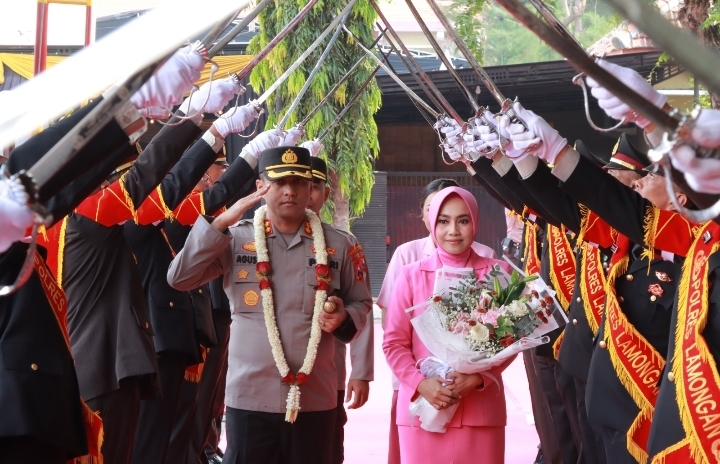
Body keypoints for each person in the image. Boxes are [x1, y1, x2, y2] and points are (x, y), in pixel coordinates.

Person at [166, 146, 373, 464]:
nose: (290, 191)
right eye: (280, 182)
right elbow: (179, 278)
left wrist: (344, 316)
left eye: (299, 182)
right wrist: (218, 224)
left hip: (314, 398)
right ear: (261, 186)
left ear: (310, 187)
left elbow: (361, 302)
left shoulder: (340, 244)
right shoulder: (235, 239)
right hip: (249, 397)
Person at [383, 186, 513, 464]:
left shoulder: (499, 274)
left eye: (463, 220)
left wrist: (478, 378)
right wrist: (421, 384)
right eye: (444, 221)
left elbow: (513, 339)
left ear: (475, 222)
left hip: (480, 410)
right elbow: (394, 343)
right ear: (432, 223)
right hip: (423, 407)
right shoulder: (410, 275)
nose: (453, 230)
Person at [306, 155, 374, 464]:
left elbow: (361, 307)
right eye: (296, 184)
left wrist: (361, 373)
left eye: (314, 187)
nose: (305, 194)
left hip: (326, 374)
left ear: (326, 194)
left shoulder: (344, 245)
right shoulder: (256, 241)